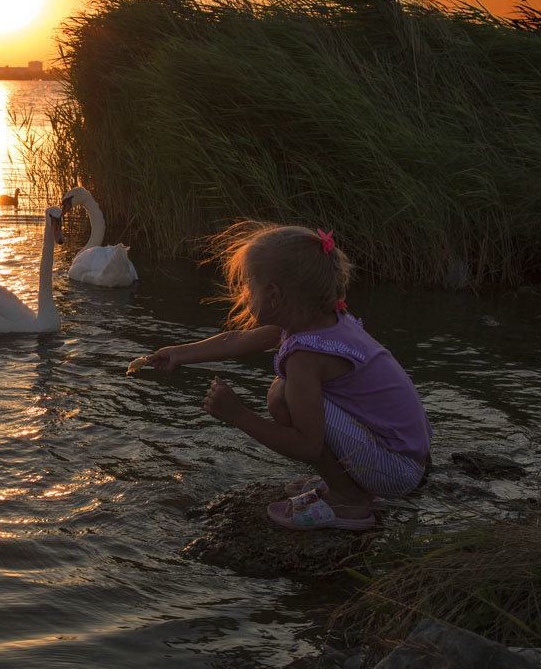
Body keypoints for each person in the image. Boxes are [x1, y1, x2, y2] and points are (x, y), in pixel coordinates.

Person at [145, 222, 431, 531]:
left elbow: (307, 447)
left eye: (248, 286)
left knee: (281, 396)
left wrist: (237, 414)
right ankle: (347, 483)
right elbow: (239, 340)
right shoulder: (321, 322)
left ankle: (349, 499)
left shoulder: (306, 358)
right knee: (286, 393)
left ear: (274, 295)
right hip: (406, 457)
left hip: (395, 470)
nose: (244, 294)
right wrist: (179, 353)